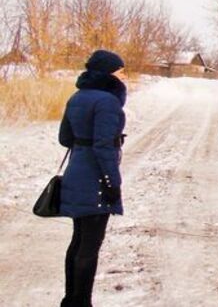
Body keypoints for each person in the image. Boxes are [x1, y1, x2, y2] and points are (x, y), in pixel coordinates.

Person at [58, 49, 128, 307]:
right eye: (120, 70)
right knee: (89, 245)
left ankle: (71, 299)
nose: (124, 75)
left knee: (78, 241)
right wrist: (112, 183)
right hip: (95, 178)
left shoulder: (77, 96)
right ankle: (81, 302)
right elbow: (103, 147)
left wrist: (83, 141)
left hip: (76, 171)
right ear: (109, 72)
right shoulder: (108, 102)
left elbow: (65, 138)